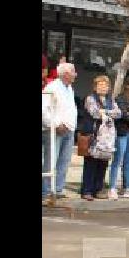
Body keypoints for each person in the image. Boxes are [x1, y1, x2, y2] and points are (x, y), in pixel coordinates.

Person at [81, 75, 121, 200]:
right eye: (100, 85)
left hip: (107, 138)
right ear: (95, 87)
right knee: (91, 163)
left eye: (106, 85)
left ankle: (98, 189)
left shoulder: (111, 99)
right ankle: (87, 190)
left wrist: (104, 112)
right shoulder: (90, 98)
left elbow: (119, 113)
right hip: (94, 135)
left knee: (103, 163)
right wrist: (108, 112)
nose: (103, 87)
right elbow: (94, 113)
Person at [42, 61, 78, 200]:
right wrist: (56, 124)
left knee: (64, 160)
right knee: (51, 160)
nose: (76, 74)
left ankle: (58, 188)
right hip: (54, 130)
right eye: (73, 72)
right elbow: (44, 110)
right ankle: (46, 191)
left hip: (69, 129)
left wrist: (71, 125)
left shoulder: (69, 88)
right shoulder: (52, 87)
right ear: (66, 74)